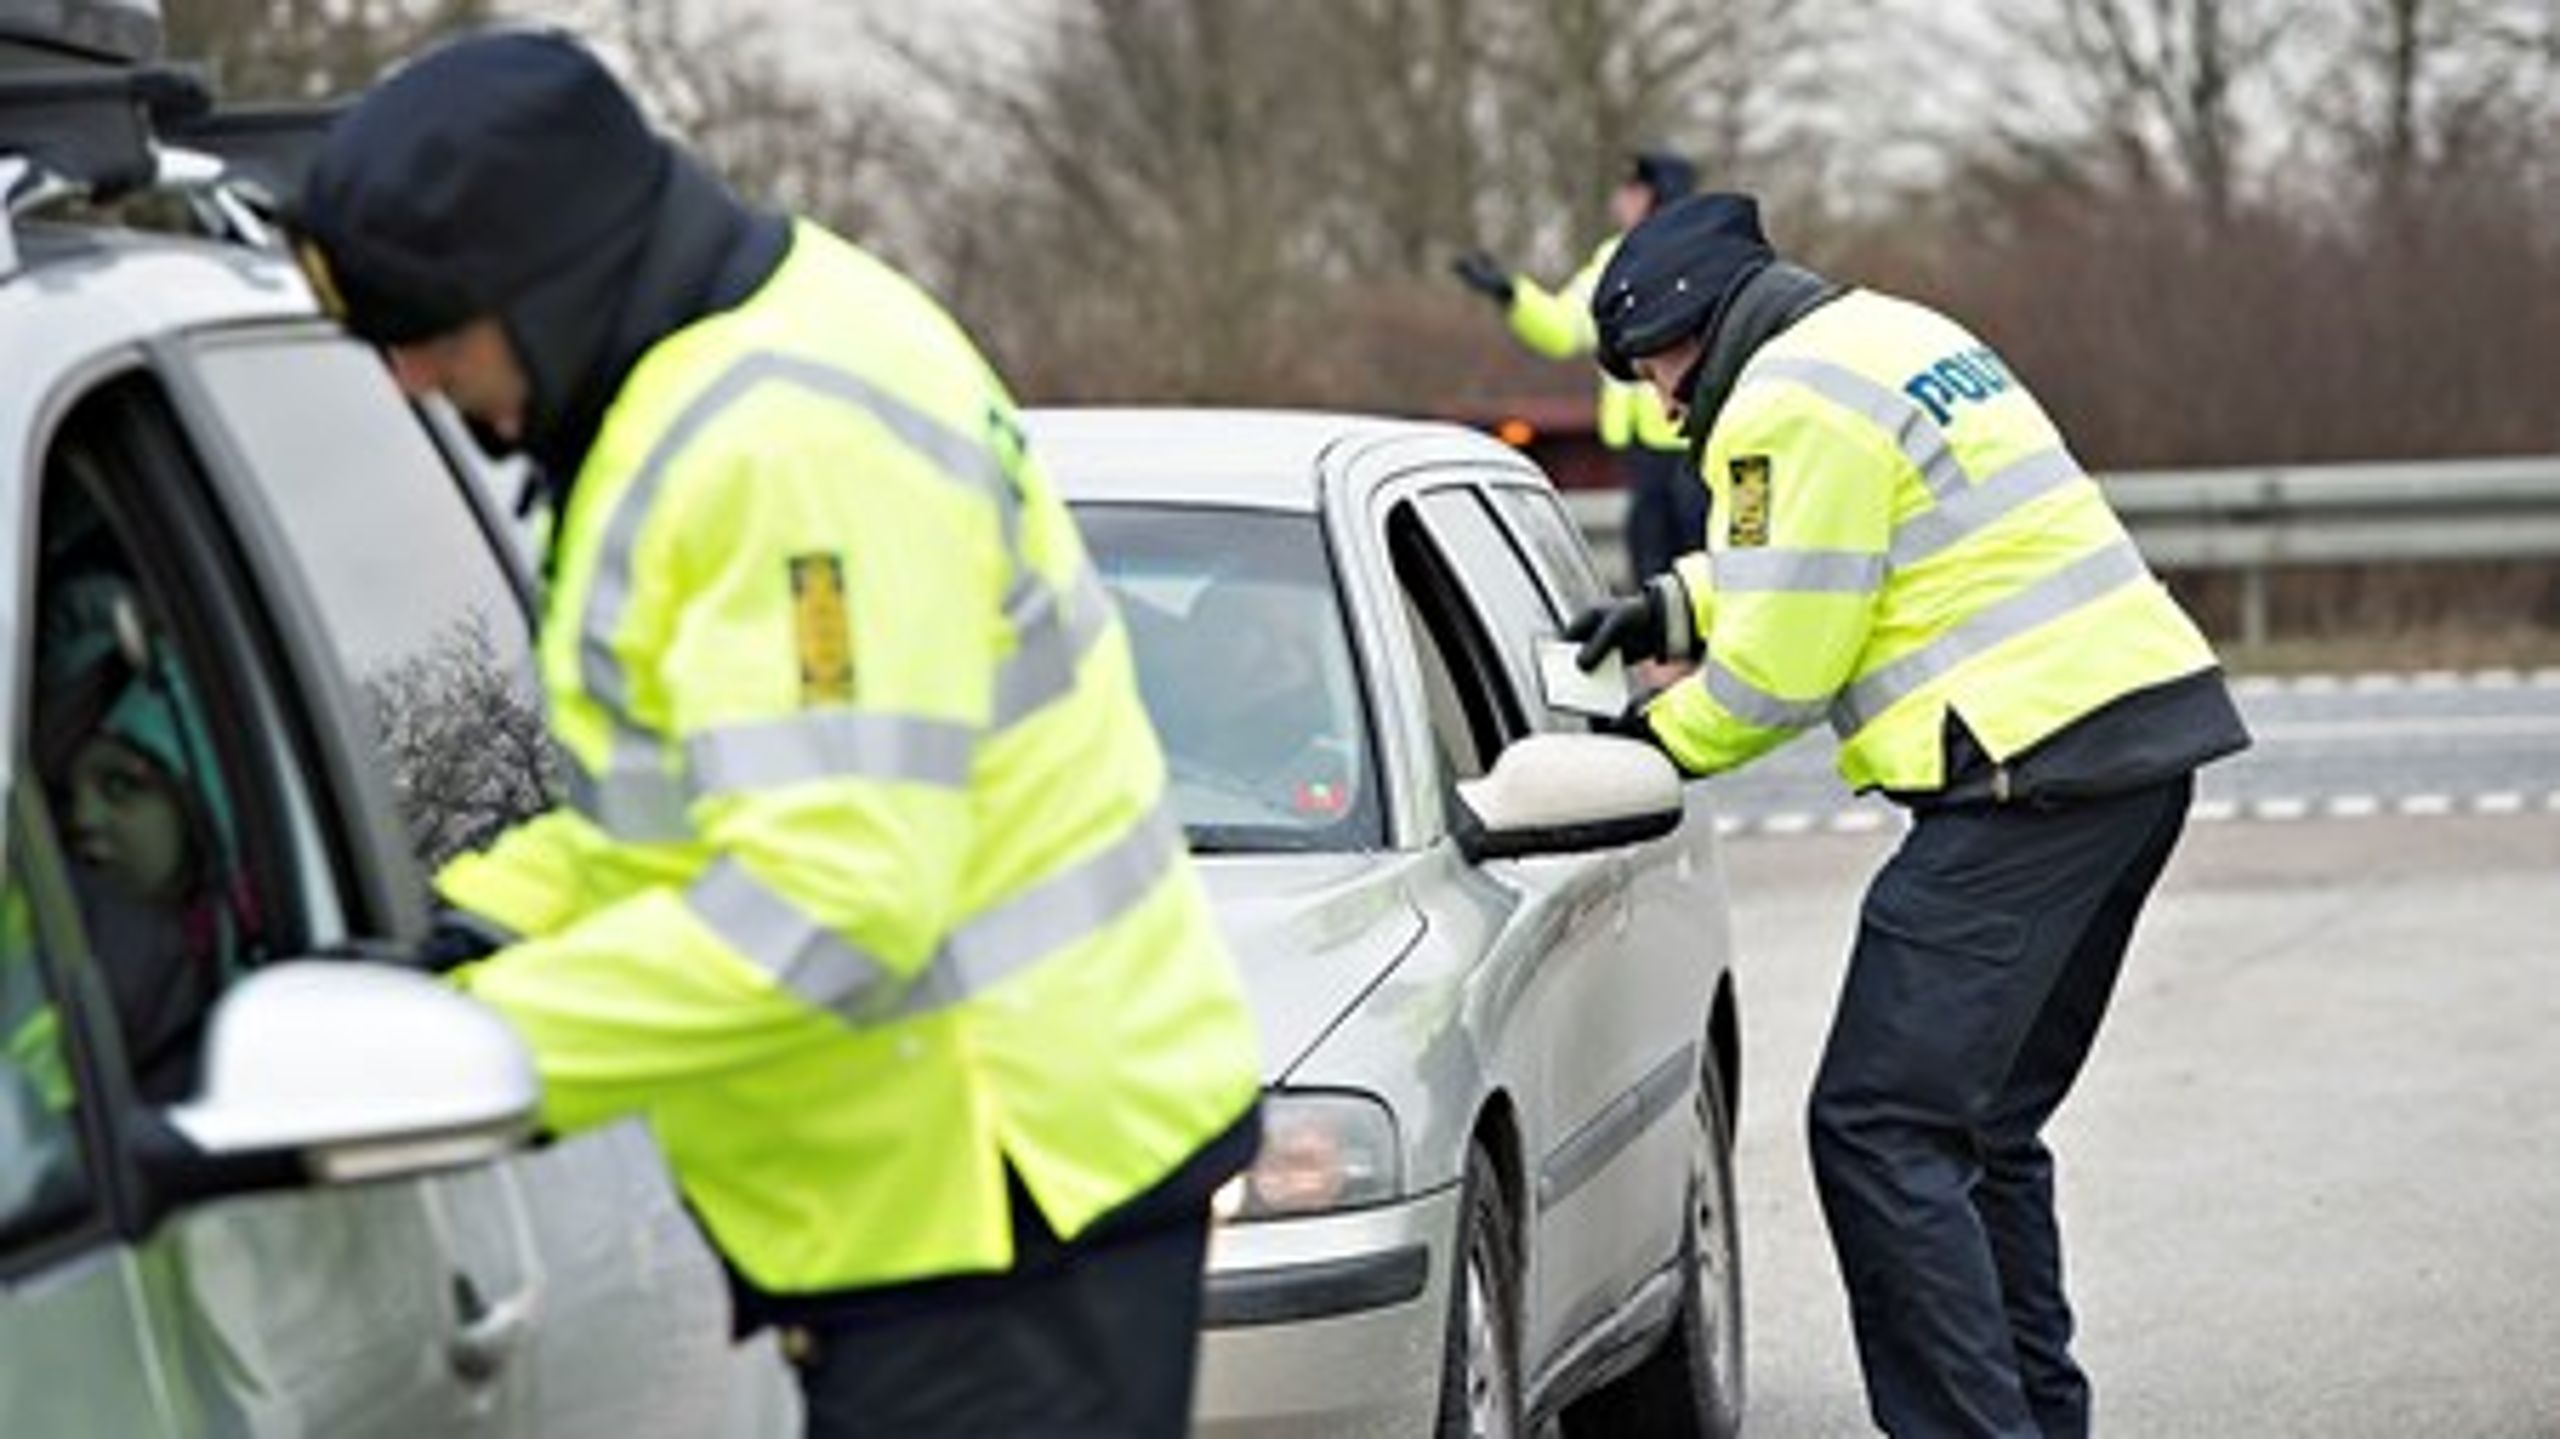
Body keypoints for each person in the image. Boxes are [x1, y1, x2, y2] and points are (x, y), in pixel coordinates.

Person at [291, 29, 1263, 1437]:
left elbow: (830, 901)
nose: (413, 383)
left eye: (427, 333)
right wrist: (464, 927)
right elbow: (683, 811)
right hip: (973, 1190)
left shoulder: (780, 446)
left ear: (547, 281)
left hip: (997, 1202)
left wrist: (463, 1050)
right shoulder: (750, 357)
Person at [1567, 191, 2252, 1438]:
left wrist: (1641, 744)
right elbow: (1856, 538)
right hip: (2130, 749)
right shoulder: (1884, 334)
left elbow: (1776, 677)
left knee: (1880, 1126)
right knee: (1978, 1127)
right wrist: (1674, 604)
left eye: (1652, 368)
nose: (1659, 404)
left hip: (2028, 784)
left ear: (1692, 330)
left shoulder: (1779, 402)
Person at [32, 573, 252, 1106]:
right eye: (67, 795)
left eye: (121, 786)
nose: (82, 817)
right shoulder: (41, 954)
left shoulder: (257, 991)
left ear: (201, 812)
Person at [1452, 148, 1707, 583]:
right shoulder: (1616, 257)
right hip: (1641, 450)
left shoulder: (1701, 253)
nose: (1619, 200)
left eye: (1632, 189)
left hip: (1695, 442)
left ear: (1659, 195)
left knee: (1701, 570)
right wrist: (1511, 294)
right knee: (1653, 575)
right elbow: (1566, 328)